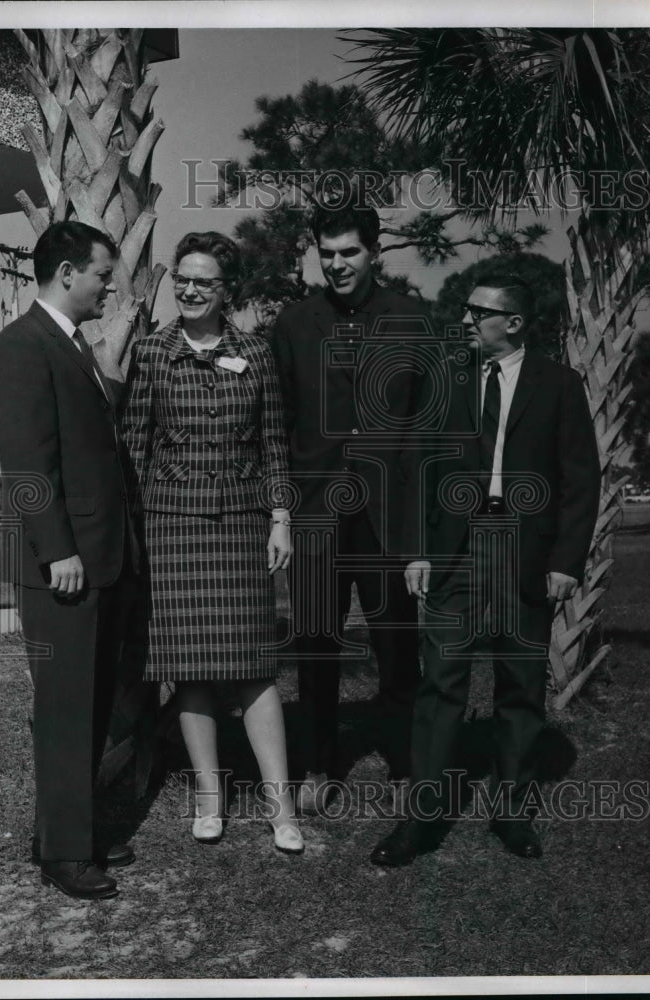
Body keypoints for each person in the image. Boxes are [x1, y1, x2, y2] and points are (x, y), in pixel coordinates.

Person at [370, 277, 601, 866]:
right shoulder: (449, 380)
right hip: (456, 555)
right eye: (465, 310)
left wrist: (565, 563)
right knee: (440, 685)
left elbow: (580, 481)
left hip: (525, 556)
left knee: (520, 689)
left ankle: (512, 813)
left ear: (515, 322)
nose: (466, 321)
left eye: (479, 312)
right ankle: (422, 819)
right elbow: (418, 465)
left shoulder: (559, 385)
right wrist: (418, 550)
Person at [121, 232, 303, 854]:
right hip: (171, 524)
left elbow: (275, 441)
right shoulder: (152, 353)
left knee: (254, 666)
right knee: (191, 666)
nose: (191, 289)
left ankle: (281, 805)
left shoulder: (255, 352)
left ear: (229, 290)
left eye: (205, 281)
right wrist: (136, 526)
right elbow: (134, 446)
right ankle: (208, 795)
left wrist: (280, 516)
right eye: (184, 279)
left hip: (242, 523)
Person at [0, 221, 139, 900]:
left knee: (88, 704)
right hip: (64, 565)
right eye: (103, 273)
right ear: (69, 272)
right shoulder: (22, 345)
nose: (110, 285)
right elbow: (25, 463)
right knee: (67, 708)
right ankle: (65, 856)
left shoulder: (70, 344)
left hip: (98, 557)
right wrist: (59, 552)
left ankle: (62, 834)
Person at [270, 202, 430, 812]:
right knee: (315, 646)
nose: (336, 264)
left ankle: (406, 765)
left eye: (349, 252)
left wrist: (419, 535)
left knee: (396, 649)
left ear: (373, 252)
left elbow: (425, 430)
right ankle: (316, 766)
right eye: (326, 253)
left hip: (388, 520)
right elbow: (278, 425)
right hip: (316, 517)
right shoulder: (293, 324)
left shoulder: (412, 321)